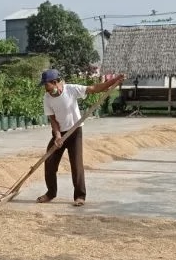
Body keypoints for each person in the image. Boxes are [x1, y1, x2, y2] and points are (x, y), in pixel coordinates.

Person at [36, 69, 125, 207]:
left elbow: (95, 88)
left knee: (76, 165)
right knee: (49, 161)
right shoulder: (47, 98)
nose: (46, 89)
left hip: (75, 131)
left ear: (54, 82)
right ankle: (51, 193)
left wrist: (115, 80)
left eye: (47, 85)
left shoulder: (71, 89)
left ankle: (79, 196)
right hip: (60, 134)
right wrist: (58, 136)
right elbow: (52, 119)